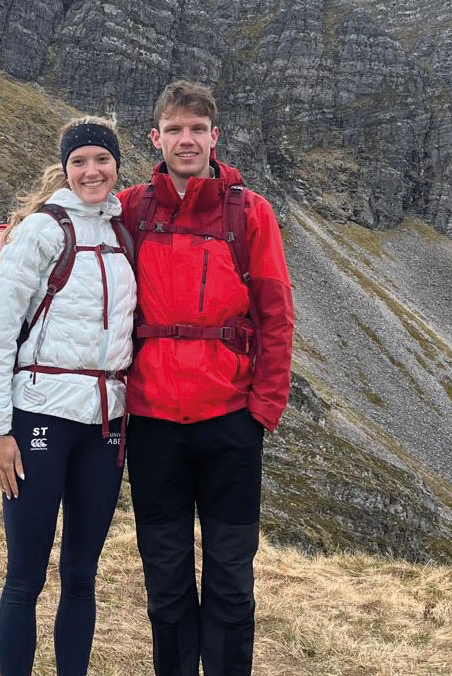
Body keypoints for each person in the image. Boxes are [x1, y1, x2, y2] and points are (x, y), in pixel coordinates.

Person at [117, 80, 294, 676]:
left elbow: (275, 314)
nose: (185, 140)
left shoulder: (250, 211)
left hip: (229, 426)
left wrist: (263, 410)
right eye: (174, 129)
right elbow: (60, 227)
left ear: (215, 137)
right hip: (153, 426)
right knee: (165, 580)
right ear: (156, 137)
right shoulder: (131, 206)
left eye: (197, 129)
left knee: (230, 580)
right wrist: (2, 239)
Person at [0, 116, 136, 676]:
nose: (91, 170)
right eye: (79, 161)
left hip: (105, 426)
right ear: (65, 170)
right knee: (25, 575)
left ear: (117, 166)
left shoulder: (123, 230)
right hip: (39, 416)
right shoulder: (42, 231)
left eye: (102, 160)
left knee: (82, 576)